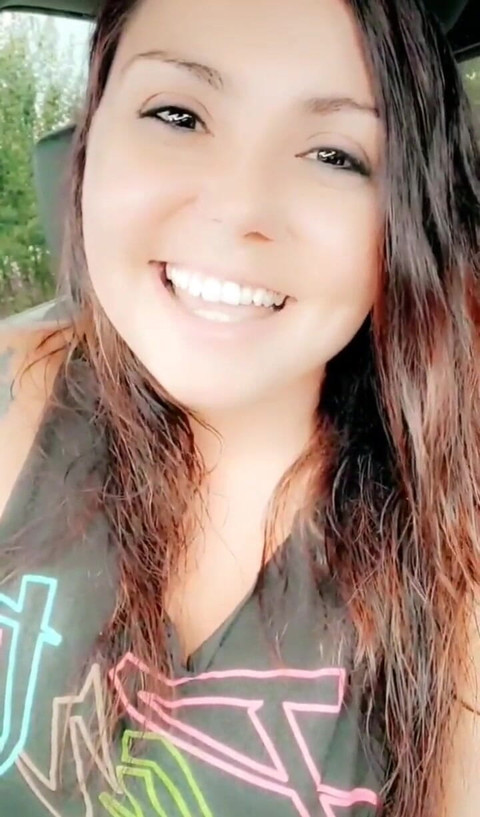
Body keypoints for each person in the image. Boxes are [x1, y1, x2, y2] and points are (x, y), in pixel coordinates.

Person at [0, 0, 479, 814]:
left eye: (334, 154)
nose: (239, 209)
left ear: (407, 217)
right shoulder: (17, 389)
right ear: (90, 139)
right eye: (178, 115)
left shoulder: (455, 534)